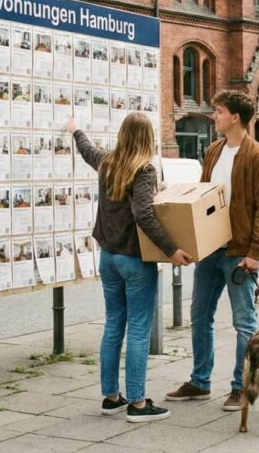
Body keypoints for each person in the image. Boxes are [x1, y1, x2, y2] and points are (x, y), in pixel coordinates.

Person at [66, 112, 193, 423]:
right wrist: (172, 250)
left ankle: (111, 398)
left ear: (123, 135)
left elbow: (87, 150)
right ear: (147, 138)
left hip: (108, 258)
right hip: (135, 261)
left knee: (113, 325)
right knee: (138, 330)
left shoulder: (109, 162)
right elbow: (144, 215)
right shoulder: (143, 170)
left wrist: (76, 129)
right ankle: (137, 403)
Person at [167, 90, 259, 410]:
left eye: (219, 111)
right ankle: (200, 383)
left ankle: (241, 386)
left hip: (239, 252)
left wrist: (255, 254)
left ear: (235, 118)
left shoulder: (258, 156)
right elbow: (202, 198)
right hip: (210, 250)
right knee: (200, 315)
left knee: (244, 322)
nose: (214, 116)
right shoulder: (214, 151)